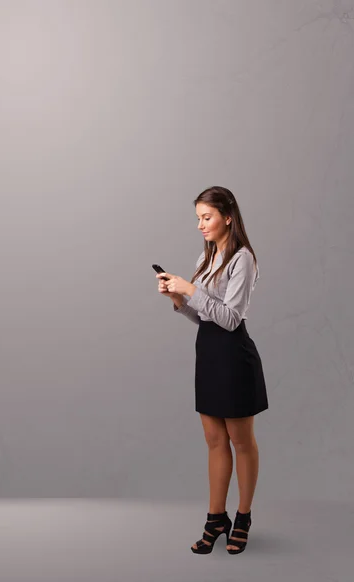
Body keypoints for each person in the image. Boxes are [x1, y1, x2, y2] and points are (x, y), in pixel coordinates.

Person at [156, 186, 268, 555]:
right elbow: (205, 316)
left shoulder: (242, 259)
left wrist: (191, 288)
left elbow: (232, 319)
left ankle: (243, 517)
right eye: (198, 219)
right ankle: (215, 518)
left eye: (207, 217)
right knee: (215, 442)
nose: (201, 225)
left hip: (234, 357)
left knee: (241, 442)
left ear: (228, 217)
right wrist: (179, 300)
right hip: (208, 354)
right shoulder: (207, 258)